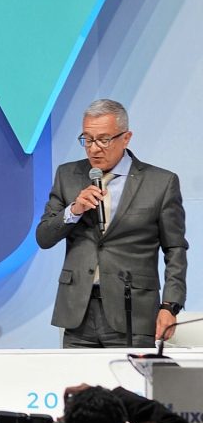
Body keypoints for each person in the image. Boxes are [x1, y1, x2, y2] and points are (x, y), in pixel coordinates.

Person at [36, 99, 187, 348]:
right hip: (78, 312)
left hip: (133, 311)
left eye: (103, 140)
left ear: (126, 138)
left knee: (130, 376)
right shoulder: (67, 175)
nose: (94, 148)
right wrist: (74, 210)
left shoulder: (161, 182)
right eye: (87, 139)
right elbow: (44, 237)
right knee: (76, 376)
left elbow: (175, 249)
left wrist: (170, 305)